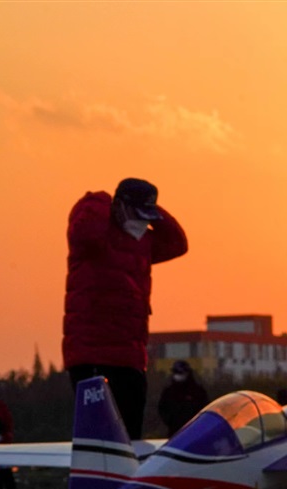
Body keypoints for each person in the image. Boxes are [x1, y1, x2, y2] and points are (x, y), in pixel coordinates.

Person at [63, 177, 188, 439]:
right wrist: (100, 200)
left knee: (129, 437)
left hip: (129, 357)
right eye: (138, 214)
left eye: (147, 217)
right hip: (91, 355)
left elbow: (179, 243)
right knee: (98, 437)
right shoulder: (92, 237)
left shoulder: (144, 242)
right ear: (119, 207)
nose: (142, 223)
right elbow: (85, 230)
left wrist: (153, 209)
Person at [157, 360, 210, 436]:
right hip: (174, 430)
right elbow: (162, 408)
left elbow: (205, 408)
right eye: (176, 372)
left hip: (194, 430)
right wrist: (170, 420)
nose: (178, 375)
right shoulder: (169, 391)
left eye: (180, 373)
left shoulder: (197, 391)